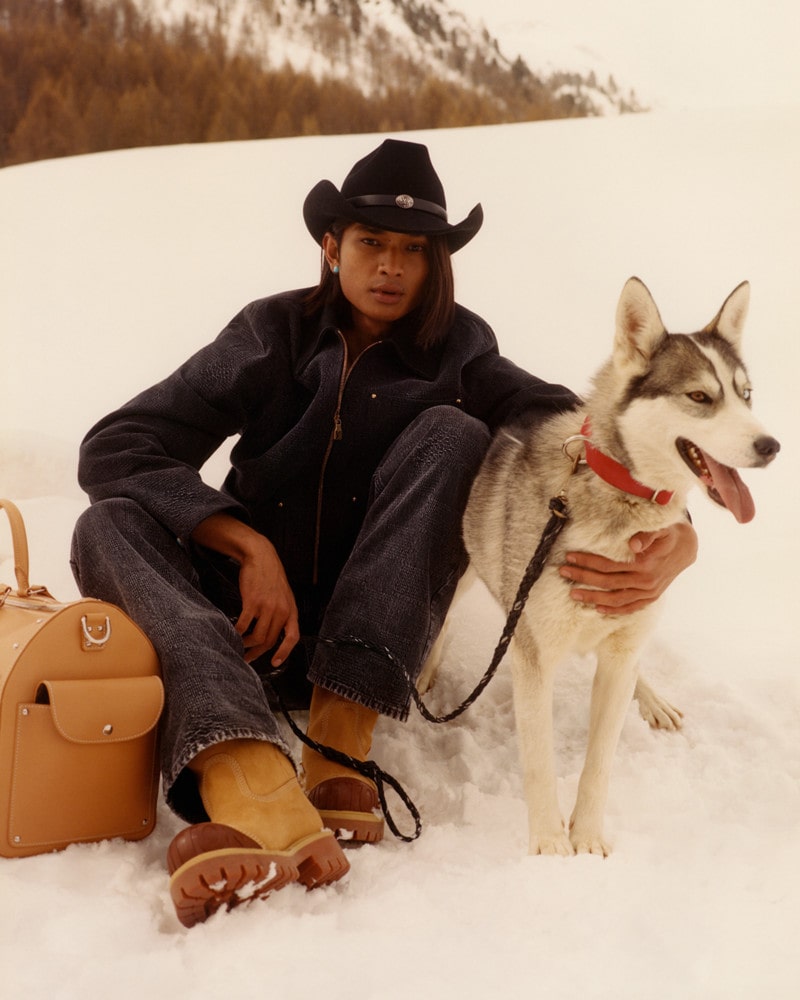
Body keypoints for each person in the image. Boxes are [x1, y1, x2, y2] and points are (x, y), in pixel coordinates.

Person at [70, 139, 697, 927]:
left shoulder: (462, 351)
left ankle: (337, 744)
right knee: (108, 521)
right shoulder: (272, 333)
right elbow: (117, 445)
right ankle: (251, 784)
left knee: (453, 433)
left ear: (437, 266)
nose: (391, 266)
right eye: (371, 242)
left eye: (414, 250)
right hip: (241, 621)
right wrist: (242, 541)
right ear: (331, 248)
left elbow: (590, 434)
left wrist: (681, 533)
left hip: (369, 637)